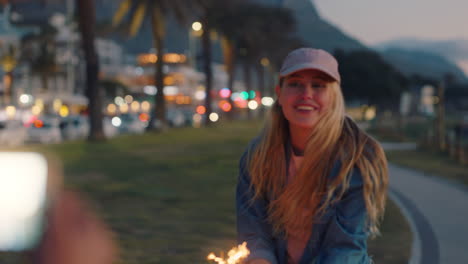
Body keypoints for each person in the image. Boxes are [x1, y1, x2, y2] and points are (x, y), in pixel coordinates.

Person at [236, 48, 388, 264]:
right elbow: (253, 233)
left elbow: (344, 249)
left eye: (318, 85)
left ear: (334, 97)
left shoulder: (357, 160)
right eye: (295, 83)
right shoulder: (256, 156)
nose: (306, 94)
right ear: (279, 93)